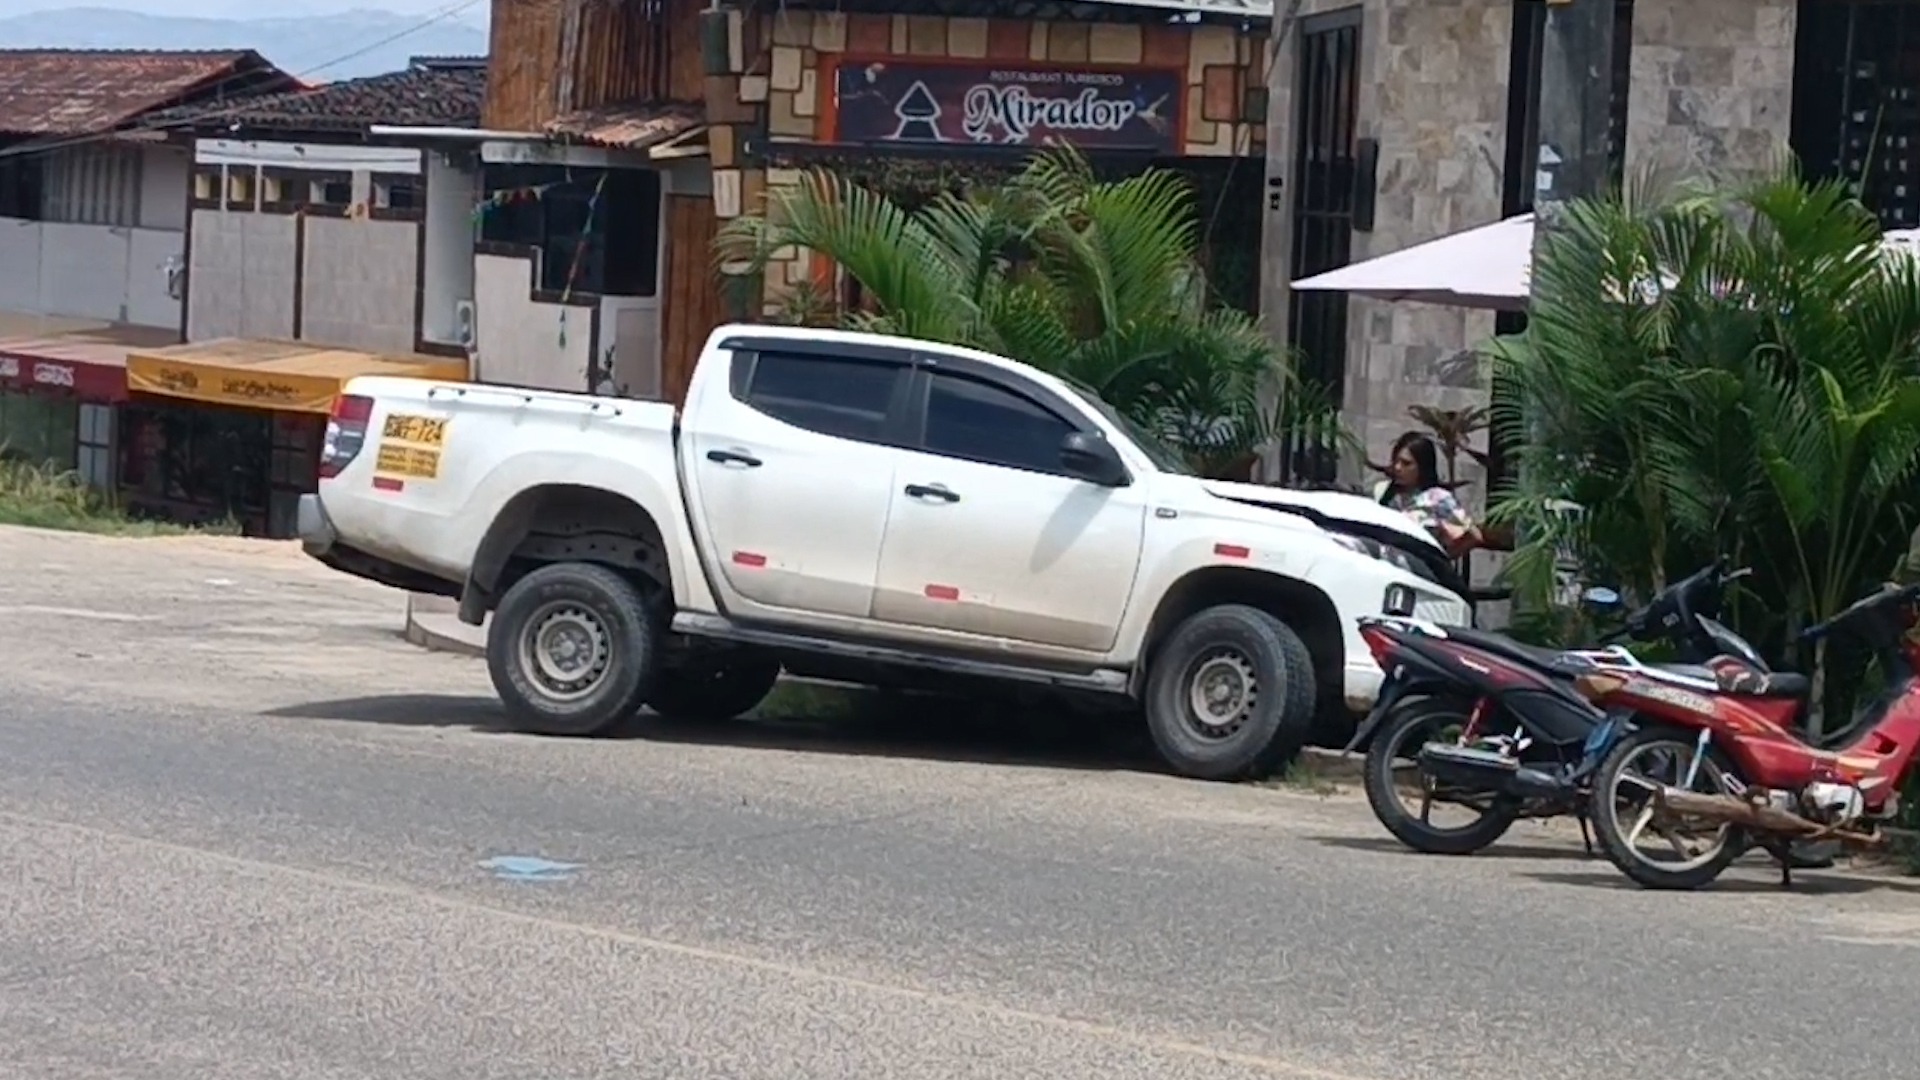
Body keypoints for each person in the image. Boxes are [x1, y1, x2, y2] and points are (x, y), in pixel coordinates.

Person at [1373, 431, 1484, 558]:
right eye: (1396, 461)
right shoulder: (1383, 491)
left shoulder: (1437, 498)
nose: (1398, 467)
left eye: (1406, 463)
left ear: (1422, 466)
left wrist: (1442, 559)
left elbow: (1473, 536)